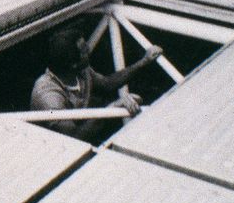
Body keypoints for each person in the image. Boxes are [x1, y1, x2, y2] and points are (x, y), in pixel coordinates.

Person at [30, 27, 163, 132]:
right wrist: (112, 108)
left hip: (83, 129)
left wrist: (144, 61)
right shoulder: (48, 96)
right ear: (73, 64)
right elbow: (75, 136)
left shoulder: (81, 71)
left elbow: (107, 83)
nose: (89, 49)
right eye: (84, 50)